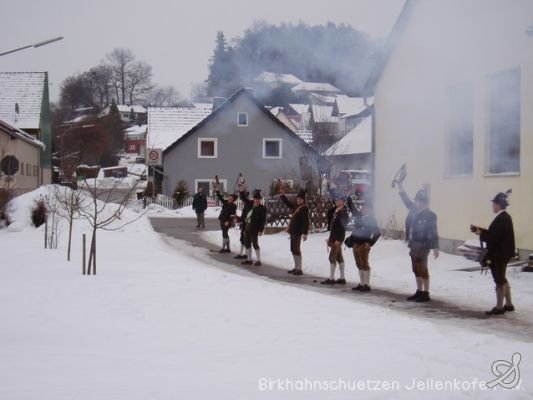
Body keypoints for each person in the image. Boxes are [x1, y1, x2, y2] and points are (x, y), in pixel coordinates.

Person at [472, 192, 516, 316]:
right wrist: (484, 231)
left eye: (493, 204)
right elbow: (496, 235)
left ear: (498, 205)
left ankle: (499, 307)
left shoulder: (501, 219)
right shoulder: (506, 217)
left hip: (499, 254)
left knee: (499, 280)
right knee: (502, 278)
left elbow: (493, 238)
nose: (492, 206)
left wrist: (481, 233)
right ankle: (508, 304)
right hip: (504, 253)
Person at [397, 182, 439, 302]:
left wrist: (436, 247)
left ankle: (425, 293)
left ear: (423, 202)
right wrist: (400, 187)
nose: (415, 203)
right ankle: (419, 291)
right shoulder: (414, 211)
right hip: (414, 244)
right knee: (415, 268)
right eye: (415, 201)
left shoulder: (431, 215)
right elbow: (406, 200)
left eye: (417, 201)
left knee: (422, 268)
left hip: (423, 245)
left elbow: (434, 231)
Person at [347, 197, 381, 292]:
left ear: (369, 209)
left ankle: (367, 284)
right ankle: (362, 283)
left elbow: (377, 233)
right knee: (359, 264)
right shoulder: (358, 216)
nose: (362, 209)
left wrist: (370, 243)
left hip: (364, 245)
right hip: (355, 244)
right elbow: (352, 207)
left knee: (365, 264)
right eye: (362, 207)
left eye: (365, 207)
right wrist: (348, 197)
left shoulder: (371, 220)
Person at [280, 188, 309, 275]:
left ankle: (299, 269)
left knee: (296, 250)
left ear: (303, 200)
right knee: (293, 249)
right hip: (293, 231)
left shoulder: (304, 208)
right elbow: (288, 204)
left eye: (300, 199)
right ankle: (296, 267)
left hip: (298, 232)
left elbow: (305, 221)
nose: (298, 200)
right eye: (297, 199)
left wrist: (305, 233)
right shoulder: (296, 206)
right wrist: (283, 196)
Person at [321, 194, 349, 285]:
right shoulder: (337, 211)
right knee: (339, 257)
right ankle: (342, 278)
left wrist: (339, 239)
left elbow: (342, 227)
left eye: (338, 200)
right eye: (336, 200)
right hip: (334, 237)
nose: (336, 201)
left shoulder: (343, 212)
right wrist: (330, 238)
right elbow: (334, 227)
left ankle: (331, 278)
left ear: (343, 202)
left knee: (331, 257)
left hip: (338, 238)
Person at [241, 190, 267, 266]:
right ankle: (249, 259)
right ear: (253, 199)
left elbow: (263, 220)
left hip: (255, 228)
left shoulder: (262, 208)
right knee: (247, 243)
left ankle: (258, 260)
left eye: (258, 199)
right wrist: (242, 190)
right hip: (247, 226)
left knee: (255, 244)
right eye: (256, 199)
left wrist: (260, 230)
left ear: (260, 200)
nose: (257, 200)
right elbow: (243, 198)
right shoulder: (250, 204)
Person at [215, 185, 237, 253]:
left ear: (233, 199)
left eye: (231, 197)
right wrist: (217, 191)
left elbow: (232, 215)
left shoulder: (233, 206)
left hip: (227, 221)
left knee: (224, 233)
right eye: (229, 197)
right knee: (225, 233)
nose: (229, 198)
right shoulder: (225, 202)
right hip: (222, 219)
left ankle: (223, 248)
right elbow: (220, 197)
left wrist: (229, 221)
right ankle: (228, 248)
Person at [235, 185, 253, 260]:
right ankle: (242, 253)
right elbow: (244, 216)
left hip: (248, 224)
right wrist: (238, 219)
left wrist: (241, 191)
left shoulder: (250, 203)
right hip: (244, 224)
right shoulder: (246, 205)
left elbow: (243, 198)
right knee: (242, 239)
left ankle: (247, 255)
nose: (242, 201)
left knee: (246, 240)